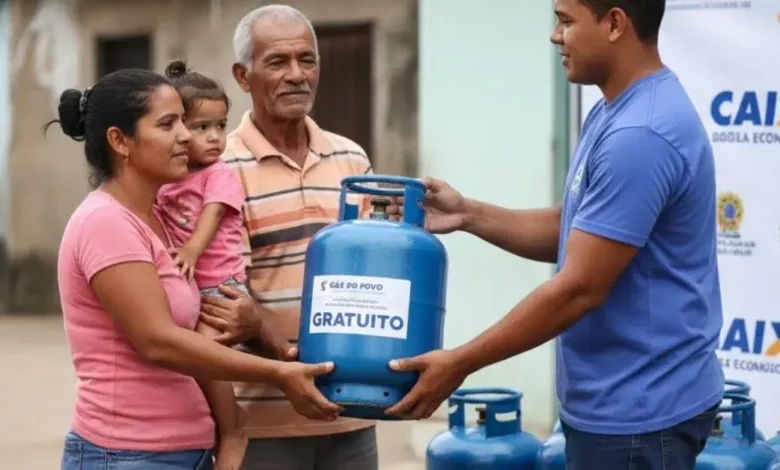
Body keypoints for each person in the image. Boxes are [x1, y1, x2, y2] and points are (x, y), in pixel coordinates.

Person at [383, 0, 724, 469]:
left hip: (640, 418)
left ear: (615, 24)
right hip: (619, 406)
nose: (554, 36)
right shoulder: (613, 111)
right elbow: (575, 229)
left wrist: (459, 361)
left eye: (566, 21)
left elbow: (578, 287)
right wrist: (466, 214)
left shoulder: (640, 133)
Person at [50, 68, 341, 470]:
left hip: (180, 452)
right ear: (120, 141)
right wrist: (277, 372)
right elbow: (160, 341)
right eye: (168, 124)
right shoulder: (106, 223)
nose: (186, 136)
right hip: (126, 455)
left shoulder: (157, 218)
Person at [195, 5, 378, 470]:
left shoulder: (351, 160)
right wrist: (272, 342)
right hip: (262, 424)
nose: (297, 75)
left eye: (307, 60)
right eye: (278, 62)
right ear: (243, 76)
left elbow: (372, 276)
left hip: (353, 413)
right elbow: (224, 303)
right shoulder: (217, 173)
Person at [156, 59, 249, 470]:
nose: (214, 138)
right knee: (184, 362)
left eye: (220, 126)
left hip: (222, 286)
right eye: (201, 128)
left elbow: (212, 214)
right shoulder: (168, 180)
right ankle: (207, 425)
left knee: (206, 357)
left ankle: (233, 428)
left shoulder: (220, 174)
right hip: (190, 286)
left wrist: (192, 249)